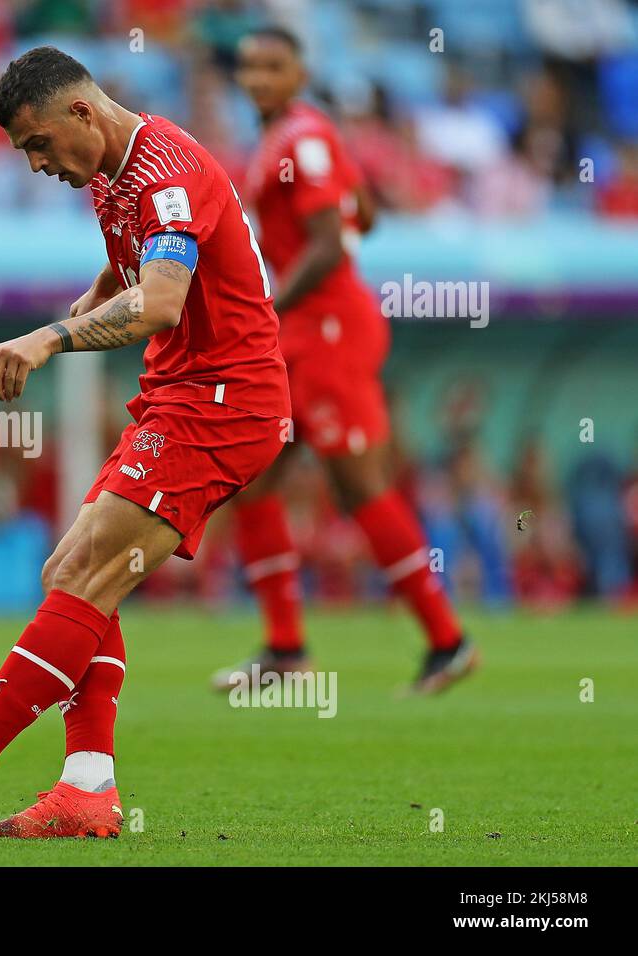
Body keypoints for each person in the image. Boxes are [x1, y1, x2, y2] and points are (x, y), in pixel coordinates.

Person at [0, 46, 290, 838]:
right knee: (69, 576)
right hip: (181, 397)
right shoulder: (112, 175)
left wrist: (48, 338)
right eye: (23, 152)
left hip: (223, 402)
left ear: (82, 111)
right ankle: (87, 785)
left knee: (83, 574)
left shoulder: (166, 176)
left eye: (39, 143)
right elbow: (135, 268)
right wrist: (89, 300)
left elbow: (161, 304)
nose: (36, 164)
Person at [211, 26, 478, 694]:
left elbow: (330, 243)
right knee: (253, 481)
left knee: (359, 486)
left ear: (301, 74)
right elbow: (365, 213)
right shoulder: (292, 138)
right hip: (301, 335)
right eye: (249, 66)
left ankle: (448, 641)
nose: (258, 77)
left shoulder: (302, 138)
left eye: (273, 66)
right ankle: (285, 648)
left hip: (329, 331)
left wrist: (265, 306)